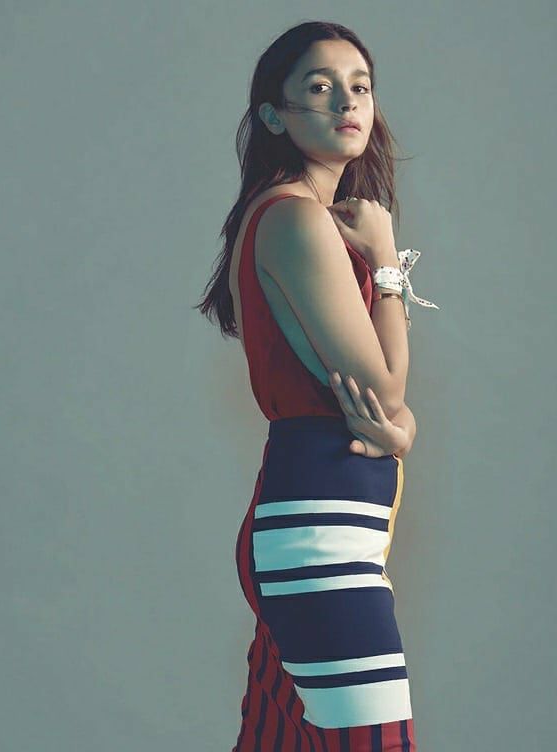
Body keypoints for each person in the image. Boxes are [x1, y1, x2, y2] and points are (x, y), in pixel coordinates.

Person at [194, 20, 438, 752]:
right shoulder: (296, 220)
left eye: (359, 86)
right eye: (321, 86)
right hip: (319, 544)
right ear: (275, 115)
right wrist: (387, 262)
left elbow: (383, 410)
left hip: (318, 530)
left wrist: (400, 431)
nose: (347, 101)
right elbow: (383, 395)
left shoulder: (303, 219)